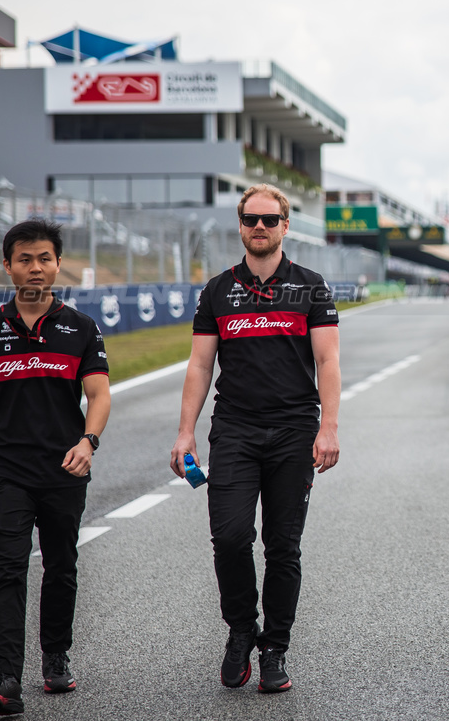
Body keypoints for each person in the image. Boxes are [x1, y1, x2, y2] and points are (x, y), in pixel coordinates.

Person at [171, 184, 341, 694]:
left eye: (270, 220)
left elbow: (329, 361)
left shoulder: (311, 287)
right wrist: (185, 434)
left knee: (283, 546)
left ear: (286, 226)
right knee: (229, 537)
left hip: (294, 430)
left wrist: (328, 426)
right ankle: (241, 630)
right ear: (241, 226)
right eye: (251, 220)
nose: (260, 227)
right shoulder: (218, 291)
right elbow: (200, 366)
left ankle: (275, 647)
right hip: (235, 430)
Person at [0, 219, 110, 716]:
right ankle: (3, 679)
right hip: (5, 470)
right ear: (7, 266)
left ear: (58, 262)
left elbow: (99, 394)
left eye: (44, 258)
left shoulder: (81, 328)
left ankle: (55, 655)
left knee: (61, 567)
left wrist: (89, 441)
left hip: (65, 468)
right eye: (25, 259)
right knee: (7, 569)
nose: (36, 267)